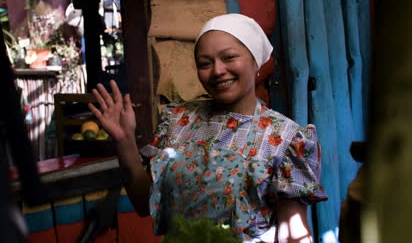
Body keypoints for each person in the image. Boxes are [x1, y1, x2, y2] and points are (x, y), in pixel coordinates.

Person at [88, 14, 327, 243]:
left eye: (229, 57)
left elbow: (293, 234)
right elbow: (144, 204)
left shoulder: (285, 139)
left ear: (255, 61)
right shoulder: (178, 121)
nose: (218, 71)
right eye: (205, 63)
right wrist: (125, 141)